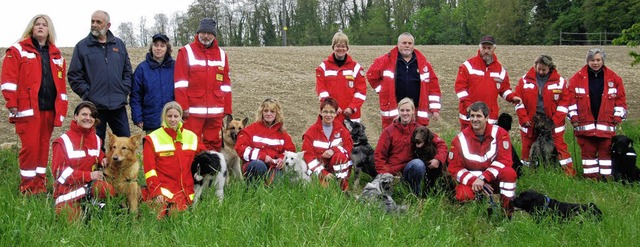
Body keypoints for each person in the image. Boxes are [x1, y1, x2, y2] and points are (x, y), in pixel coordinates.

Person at [1, 14, 68, 195]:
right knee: (30, 149)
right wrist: (11, 103)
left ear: (49, 29)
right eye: (37, 24)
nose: (40, 27)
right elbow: (8, 80)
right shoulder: (17, 50)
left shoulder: (56, 55)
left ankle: (40, 184)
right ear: (31, 28)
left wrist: (60, 110)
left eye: (44, 25)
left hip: (47, 110)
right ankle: (28, 187)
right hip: (26, 110)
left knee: (42, 148)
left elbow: (60, 86)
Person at [68, 10, 132, 147]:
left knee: (124, 144)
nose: (94, 25)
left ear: (108, 25)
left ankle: (123, 169)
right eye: (92, 21)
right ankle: (97, 169)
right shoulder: (82, 47)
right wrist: (88, 94)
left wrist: (123, 89)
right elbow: (74, 75)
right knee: (95, 145)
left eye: (98, 22)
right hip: (94, 107)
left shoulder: (119, 45)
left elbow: (127, 71)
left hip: (118, 105)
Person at [448, 101, 517, 217]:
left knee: (509, 173)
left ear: (487, 118)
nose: (475, 119)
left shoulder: (501, 134)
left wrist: (483, 178)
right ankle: (477, 213)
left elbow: (504, 161)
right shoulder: (459, 139)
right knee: (463, 194)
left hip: (493, 179)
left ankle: (507, 211)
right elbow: (454, 167)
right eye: (472, 116)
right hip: (472, 182)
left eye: (479, 116)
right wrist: (474, 180)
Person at [568, 48, 627, 179]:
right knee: (588, 154)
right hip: (584, 126)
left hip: (606, 125)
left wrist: (617, 117)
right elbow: (570, 102)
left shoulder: (614, 78)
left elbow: (621, 101)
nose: (595, 63)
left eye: (598, 60)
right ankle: (591, 180)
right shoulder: (576, 79)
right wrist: (573, 117)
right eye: (592, 60)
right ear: (587, 61)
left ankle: (606, 179)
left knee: (605, 154)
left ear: (603, 61)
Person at [174, 18, 232, 152]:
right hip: (193, 111)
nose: (206, 36)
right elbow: (180, 83)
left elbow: (226, 85)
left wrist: (227, 109)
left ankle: (212, 171)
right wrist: (183, 107)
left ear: (214, 35)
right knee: (191, 143)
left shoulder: (222, 55)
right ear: (198, 33)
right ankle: (192, 171)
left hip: (216, 110)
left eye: (209, 33)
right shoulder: (186, 52)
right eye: (203, 32)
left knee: (213, 144)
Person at [51, 102, 114, 220]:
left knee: (108, 191)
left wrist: (103, 159)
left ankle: (93, 208)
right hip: (68, 192)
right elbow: (59, 173)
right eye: (84, 114)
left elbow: (97, 154)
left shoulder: (96, 139)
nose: (88, 118)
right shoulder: (62, 142)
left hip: (89, 187)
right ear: (75, 116)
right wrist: (89, 175)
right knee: (72, 222)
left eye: (91, 116)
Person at [142, 101, 206, 218]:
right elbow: (149, 170)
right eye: (169, 116)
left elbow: (206, 157)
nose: (172, 120)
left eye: (176, 116)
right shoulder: (152, 139)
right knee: (157, 217)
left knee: (178, 216)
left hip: (186, 189)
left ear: (181, 117)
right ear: (164, 117)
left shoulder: (191, 137)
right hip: (163, 187)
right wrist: (156, 192)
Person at [514, 54, 575, 176]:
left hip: (552, 122)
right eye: (539, 68)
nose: (541, 72)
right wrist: (524, 119)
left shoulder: (560, 82)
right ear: (535, 66)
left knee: (560, 148)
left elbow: (564, 103)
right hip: (531, 121)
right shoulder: (524, 80)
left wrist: (554, 121)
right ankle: (528, 174)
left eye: (544, 70)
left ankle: (568, 175)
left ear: (550, 68)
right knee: (527, 148)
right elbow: (518, 103)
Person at [366, 32, 441, 129]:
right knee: (393, 140)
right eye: (404, 43)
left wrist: (435, 109)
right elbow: (371, 76)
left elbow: (433, 86)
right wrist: (383, 91)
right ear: (398, 44)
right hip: (394, 110)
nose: (407, 45)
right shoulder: (385, 60)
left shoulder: (423, 63)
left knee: (416, 141)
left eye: (410, 43)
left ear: (413, 45)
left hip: (417, 112)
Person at [374, 98, 447, 196]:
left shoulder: (419, 129)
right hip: (392, 172)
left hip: (410, 168)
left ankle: (414, 194)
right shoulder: (388, 131)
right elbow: (379, 155)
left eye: (408, 110)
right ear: (398, 111)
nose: (405, 113)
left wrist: (438, 160)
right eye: (402, 110)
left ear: (413, 112)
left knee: (418, 164)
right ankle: (396, 188)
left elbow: (441, 144)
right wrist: (383, 173)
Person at [454, 35, 521, 130]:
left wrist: (512, 97)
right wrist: (468, 105)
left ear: (494, 49)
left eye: (489, 48)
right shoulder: (468, 66)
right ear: (479, 48)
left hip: (490, 117)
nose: (486, 51)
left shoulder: (500, 70)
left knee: (489, 144)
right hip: (470, 116)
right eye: (484, 48)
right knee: (469, 144)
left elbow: (504, 89)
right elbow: (460, 88)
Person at [235, 98, 296, 185]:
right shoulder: (251, 129)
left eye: (272, 111)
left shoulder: (283, 133)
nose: (268, 114)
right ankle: (252, 191)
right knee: (258, 165)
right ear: (261, 112)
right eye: (266, 111)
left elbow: (291, 150)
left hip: (274, 167)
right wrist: (263, 157)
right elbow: (241, 148)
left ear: (277, 114)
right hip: (255, 164)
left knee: (277, 185)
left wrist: (282, 159)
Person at [302, 98, 354, 191]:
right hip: (318, 169)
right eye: (325, 111)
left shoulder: (342, 130)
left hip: (336, 168)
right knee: (325, 191)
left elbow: (348, 148)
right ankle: (329, 184)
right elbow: (308, 155)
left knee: (340, 156)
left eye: (332, 112)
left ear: (336, 113)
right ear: (321, 112)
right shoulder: (312, 131)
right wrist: (322, 172)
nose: (328, 115)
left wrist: (334, 150)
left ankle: (344, 188)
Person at [315, 32, 367, 123]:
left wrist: (351, 108)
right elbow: (322, 91)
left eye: (343, 46)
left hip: (352, 116)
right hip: (331, 115)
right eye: (338, 46)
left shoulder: (356, 68)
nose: (340, 49)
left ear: (347, 48)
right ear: (333, 47)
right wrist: (332, 107)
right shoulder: (323, 67)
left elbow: (361, 92)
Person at [131, 33, 175, 134]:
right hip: (151, 120)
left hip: (172, 120)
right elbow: (136, 95)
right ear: (152, 47)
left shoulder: (175, 67)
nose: (158, 48)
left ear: (167, 48)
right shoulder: (142, 69)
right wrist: (137, 116)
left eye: (162, 46)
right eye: (156, 45)